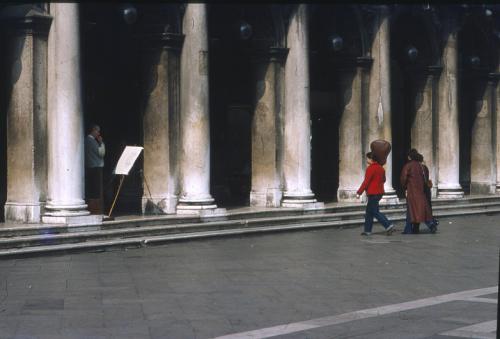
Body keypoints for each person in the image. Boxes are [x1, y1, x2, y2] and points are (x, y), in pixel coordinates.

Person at [356, 152, 395, 236]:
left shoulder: (370, 168)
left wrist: (359, 192)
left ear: (371, 159)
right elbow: (384, 180)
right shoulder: (381, 168)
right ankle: (367, 230)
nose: (367, 160)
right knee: (369, 211)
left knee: (374, 211)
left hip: (373, 193)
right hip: (379, 192)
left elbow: (366, 182)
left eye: (367, 158)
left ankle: (388, 225)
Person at [400, 149, 436, 234]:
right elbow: (426, 179)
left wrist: (405, 187)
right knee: (421, 210)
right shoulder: (423, 167)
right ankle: (416, 228)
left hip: (412, 191)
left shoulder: (408, 166)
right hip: (421, 191)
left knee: (411, 211)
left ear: (409, 157)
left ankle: (409, 229)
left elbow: (403, 178)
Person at [85, 124, 106, 214]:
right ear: (93, 130)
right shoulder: (91, 141)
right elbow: (101, 153)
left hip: (90, 166)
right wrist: (101, 142)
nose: (98, 133)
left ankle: (94, 208)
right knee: (96, 189)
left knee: (93, 188)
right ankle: (96, 209)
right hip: (95, 167)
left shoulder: (86, 140)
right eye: (97, 131)